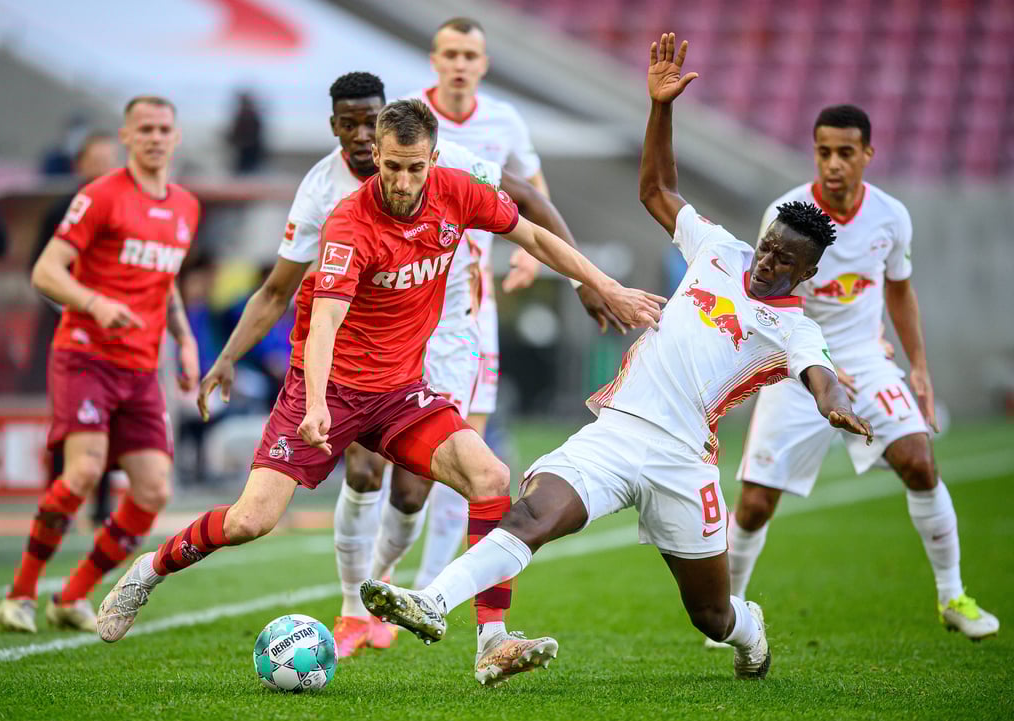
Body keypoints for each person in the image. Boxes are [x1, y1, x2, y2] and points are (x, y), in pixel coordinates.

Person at [360, 33, 873, 685]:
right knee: (532, 515)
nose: (767, 259)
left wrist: (837, 406)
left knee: (710, 614)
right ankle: (433, 602)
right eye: (768, 245)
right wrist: (660, 108)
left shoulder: (795, 327)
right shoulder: (719, 249)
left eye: (783, 260)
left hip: (682, 460)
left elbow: (822, 377)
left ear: (807, 272)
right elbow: (657, 189)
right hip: (616, 433)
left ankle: (751, 628)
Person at [95, 100, 664, 682]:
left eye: (414, 167)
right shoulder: (350, 223)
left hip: (400, 392)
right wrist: (316, 402)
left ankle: (491, 640)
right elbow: (323, 325)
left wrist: (604, 284)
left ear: (433, 159)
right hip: (331, 390)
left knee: (489, 477)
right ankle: (149, 571)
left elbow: (535, 236)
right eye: (391, 166)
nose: (401, 180)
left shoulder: (457, 191)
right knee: (250, 520)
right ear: (378, 158)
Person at [192, 72, 617, 657]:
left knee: (436, 488)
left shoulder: (451, 168)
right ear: (336, 127)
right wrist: (239, 361)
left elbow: (531, 210)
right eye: (353, 126)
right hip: (343, 364)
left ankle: (440, 611)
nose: (367, 141)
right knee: (344, 483)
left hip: (434, 348)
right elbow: (286, 298)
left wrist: (592, 282)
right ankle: (349, 608)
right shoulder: (329, 199)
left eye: (374, 123)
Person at [721, 105, 999, 641]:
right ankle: (727, 611)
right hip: (798, 362)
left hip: (867, 362)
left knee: (920, 462)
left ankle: (953, 597)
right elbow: (760, 296)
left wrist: (918, 367)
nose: (834, 164)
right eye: (824, 152)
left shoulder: (891, 216)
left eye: (846, 153)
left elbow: (899, 289)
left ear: (867, 154)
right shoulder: (785, 212)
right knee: (754, 505)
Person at [0, 96, 200, 634]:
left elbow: (166, 280)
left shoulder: (185, 206)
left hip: (140, 367)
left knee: (154, 490)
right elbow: (45, 272)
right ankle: (18, 595)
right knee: (84, 470)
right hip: (85, 354)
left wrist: (184, 342)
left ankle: (72, 596)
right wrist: (93, 302)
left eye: (164, 128)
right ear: (126, 138)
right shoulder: (100, 196)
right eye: (145, 129)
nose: (156, 137)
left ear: (176, 138)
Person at [394, 17, 580, 590]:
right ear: (433, 58)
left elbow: (531, 185)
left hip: (470, 305)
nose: (459, 64)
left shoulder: (503, 120)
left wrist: (532, 254)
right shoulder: (406, 120)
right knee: (400, 465)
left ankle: (427, 586)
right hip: (405, 297)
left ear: (483, 63)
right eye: (449, 52)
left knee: (465, 448)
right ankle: (372, 582)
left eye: (469, 54)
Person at [25, 132, 124, 526]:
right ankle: (57, 503)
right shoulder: (63, 209)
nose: (103, 167)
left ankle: (101, 507)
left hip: (115, 333)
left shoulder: (123, 206)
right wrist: (77, 306)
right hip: (69, 332)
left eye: (109, 159)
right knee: (70, 421)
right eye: (96, 160)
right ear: (80, 164)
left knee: (109, 420)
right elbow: (41, 270)